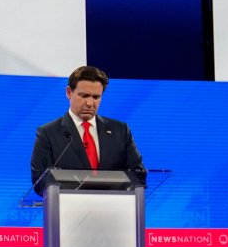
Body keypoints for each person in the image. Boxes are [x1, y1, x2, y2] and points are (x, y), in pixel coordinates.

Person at [29, 65, 146, 195]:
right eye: (84, 96)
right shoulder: (48, 133)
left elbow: (139, 175)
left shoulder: (120, 131)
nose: (90, 103)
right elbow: (39, 181)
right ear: (69, 92)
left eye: (96, 97)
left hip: (113, 210)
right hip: (68, 211)